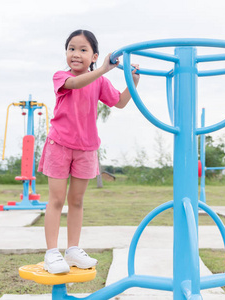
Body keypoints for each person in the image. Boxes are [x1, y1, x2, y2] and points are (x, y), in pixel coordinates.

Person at [38, 29, 140, 274]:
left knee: (77, 201)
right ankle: (52, 252)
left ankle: (72, 250)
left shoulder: (100, 81)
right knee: (56, 200)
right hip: (60, 145)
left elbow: (120, 102)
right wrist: (103, 69)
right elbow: (75, 83)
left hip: (86, 149)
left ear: (94, 55)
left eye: (83, 50)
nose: (76, 54)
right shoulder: (61, 76)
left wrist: (133, 82)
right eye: (71, 48)